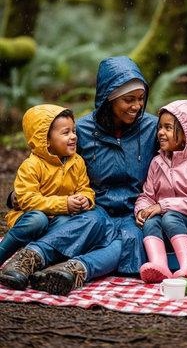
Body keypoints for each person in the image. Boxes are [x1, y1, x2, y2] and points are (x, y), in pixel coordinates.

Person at [1, 57, 187, 295]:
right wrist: (17, 196)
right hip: (95, 207)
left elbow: (183, 160)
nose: (137, 106)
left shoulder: (153, 129)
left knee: (131, 239)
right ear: (108, 97)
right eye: (128, 99)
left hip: (135, 212)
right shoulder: (81, 131)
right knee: (86, 223)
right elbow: (51, 164)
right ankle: (29, 258)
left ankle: (73, 270)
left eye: (141, 98)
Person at [0, 104, 116, 290]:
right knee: (38, 219)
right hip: (30, 219)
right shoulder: (32, 166)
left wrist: (86, 199)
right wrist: (65, 203)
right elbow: (27, 200)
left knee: (70, 224)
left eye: (73, 131)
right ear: (45, 140)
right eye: (65, 133)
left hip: (58, 221)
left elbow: (84, 188)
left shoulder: (76, 162)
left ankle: (35, 265)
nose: (73, 137)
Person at [135, 100, 187, 283]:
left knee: (170, 216)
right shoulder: (157, 162)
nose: (161, 133)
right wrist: (142, 210)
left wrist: (162, 206)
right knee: (151, 220)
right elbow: (147, 195)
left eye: (168, 128)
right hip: (166, 229)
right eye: (160, 127)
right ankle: (159, 265)